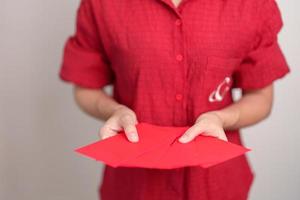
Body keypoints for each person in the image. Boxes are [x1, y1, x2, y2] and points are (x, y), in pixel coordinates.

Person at [59, 0, 290, 199]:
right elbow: (86, 88)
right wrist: (114, 111)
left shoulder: (250, 4)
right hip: (133, 187)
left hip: (216, 184)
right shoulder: (102, 4)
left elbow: (261, 98)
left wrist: (222, 118)